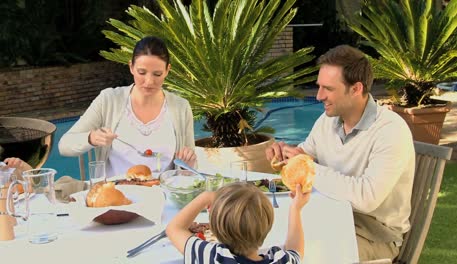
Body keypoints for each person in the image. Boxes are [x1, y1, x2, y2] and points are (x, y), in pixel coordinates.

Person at [265, 45, 415, 261]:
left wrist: (308, 168)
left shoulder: (390, 130)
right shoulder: (327, 121)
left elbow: (367, 198)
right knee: (273, 238)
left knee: (306, 256)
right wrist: (285, 155)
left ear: (356, 89)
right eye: (319, 87)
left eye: (328, 88)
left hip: (374, 236)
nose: (318, 96)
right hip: (329, 218)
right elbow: (305, 153)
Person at [59, 36, 196, 177]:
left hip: (165, 195)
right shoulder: (109, 100)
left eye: (157, 74)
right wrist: (91, 138)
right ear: (131, 67)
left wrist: (188, 164)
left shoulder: (181, 107)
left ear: (167, 70)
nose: (149, 81)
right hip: (116, 194)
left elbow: (189, 170)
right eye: (142, 72)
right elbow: (64, 145)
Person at [166, 182, 311, 263]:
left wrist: (206, 196)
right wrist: (295, 209)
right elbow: (296, 250)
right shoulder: (280, 261)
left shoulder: (213, 256)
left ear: (216, 229)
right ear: (268, 225)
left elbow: (174, 229)